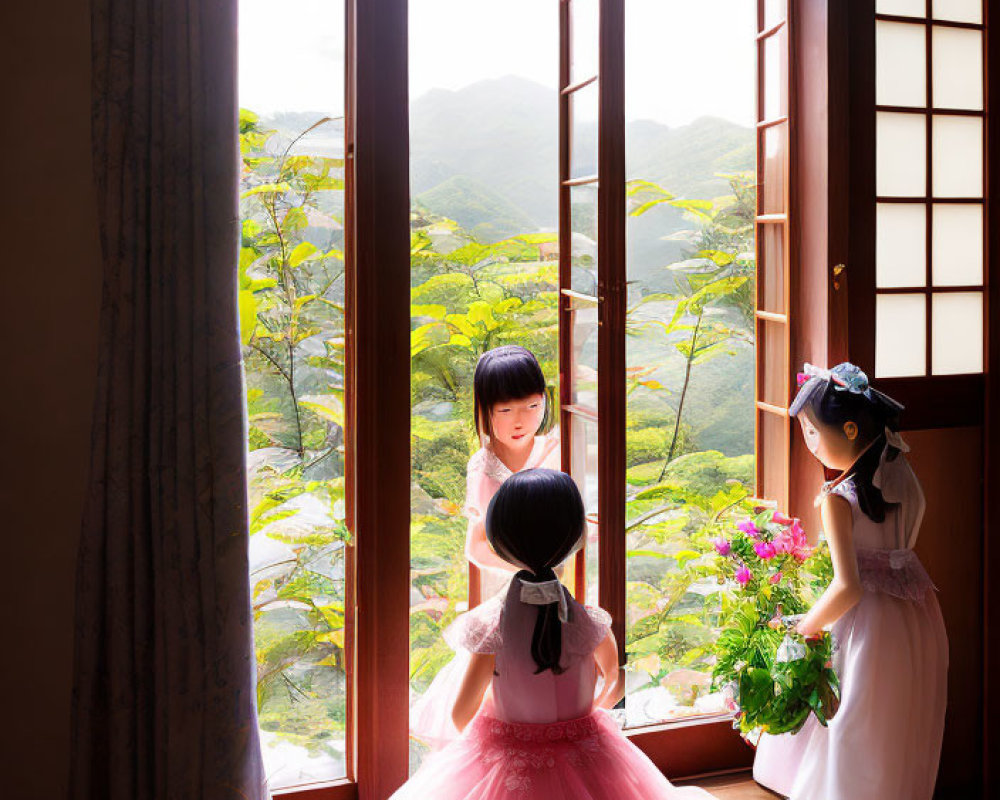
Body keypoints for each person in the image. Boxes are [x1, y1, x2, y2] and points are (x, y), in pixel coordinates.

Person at [391, 469, 716, 800]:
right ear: (575, 538)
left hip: (511, 763)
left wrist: (500, 725)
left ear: (498, 541)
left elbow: (461, 715)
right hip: (589, 752)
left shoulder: (492, 627)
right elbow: (614, 680)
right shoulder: (589, 623)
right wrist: (586, 720)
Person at [753, 362, 948, 799]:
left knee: (851, 727)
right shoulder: (904, 477)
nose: (809, 445)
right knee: (898, 729)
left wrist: (805, 628)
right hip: (917, 618)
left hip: (867, 627)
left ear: (849, 429)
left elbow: (848, 586)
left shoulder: (838, 500)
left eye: (812, 432)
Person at [410, 345, 561, 748]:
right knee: (499, 684)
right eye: (505, 410)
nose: (520, 421)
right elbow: (475, 548)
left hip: (560, 577)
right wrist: (526, 571)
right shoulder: (484, 464)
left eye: (531, 406)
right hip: (506, 583)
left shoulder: (558, 448)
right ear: (484, 411)